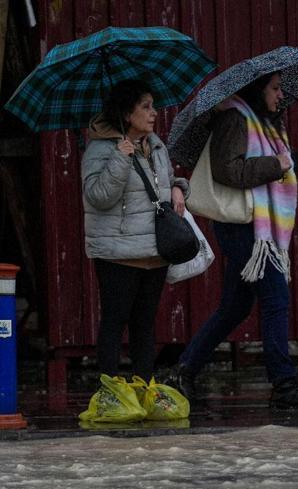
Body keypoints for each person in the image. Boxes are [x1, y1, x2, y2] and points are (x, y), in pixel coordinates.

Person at [169, 71, 298, 411]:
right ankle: (284, 384)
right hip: (243, 226)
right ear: (257, 90)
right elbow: (230, 171)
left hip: (253, 225)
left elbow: (274, 169)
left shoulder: (264, 123)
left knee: (235, 307)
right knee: (275, 298)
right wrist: (280, 163)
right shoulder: (235, 118)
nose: (280, 94)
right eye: (274, 88)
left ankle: (184, 371)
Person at [81, 78, 189, 383]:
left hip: (154, 251)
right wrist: (120, 157)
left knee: (145, 324)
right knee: (115, 322)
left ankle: (144, 386)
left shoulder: (156, 145)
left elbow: (166, 181)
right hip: (118, 253)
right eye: (146, 107)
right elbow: (99, 196)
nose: (154, 113)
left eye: (153, 106)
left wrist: (179, 189)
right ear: (128, 114)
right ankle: (110, 388)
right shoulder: (100, 150)